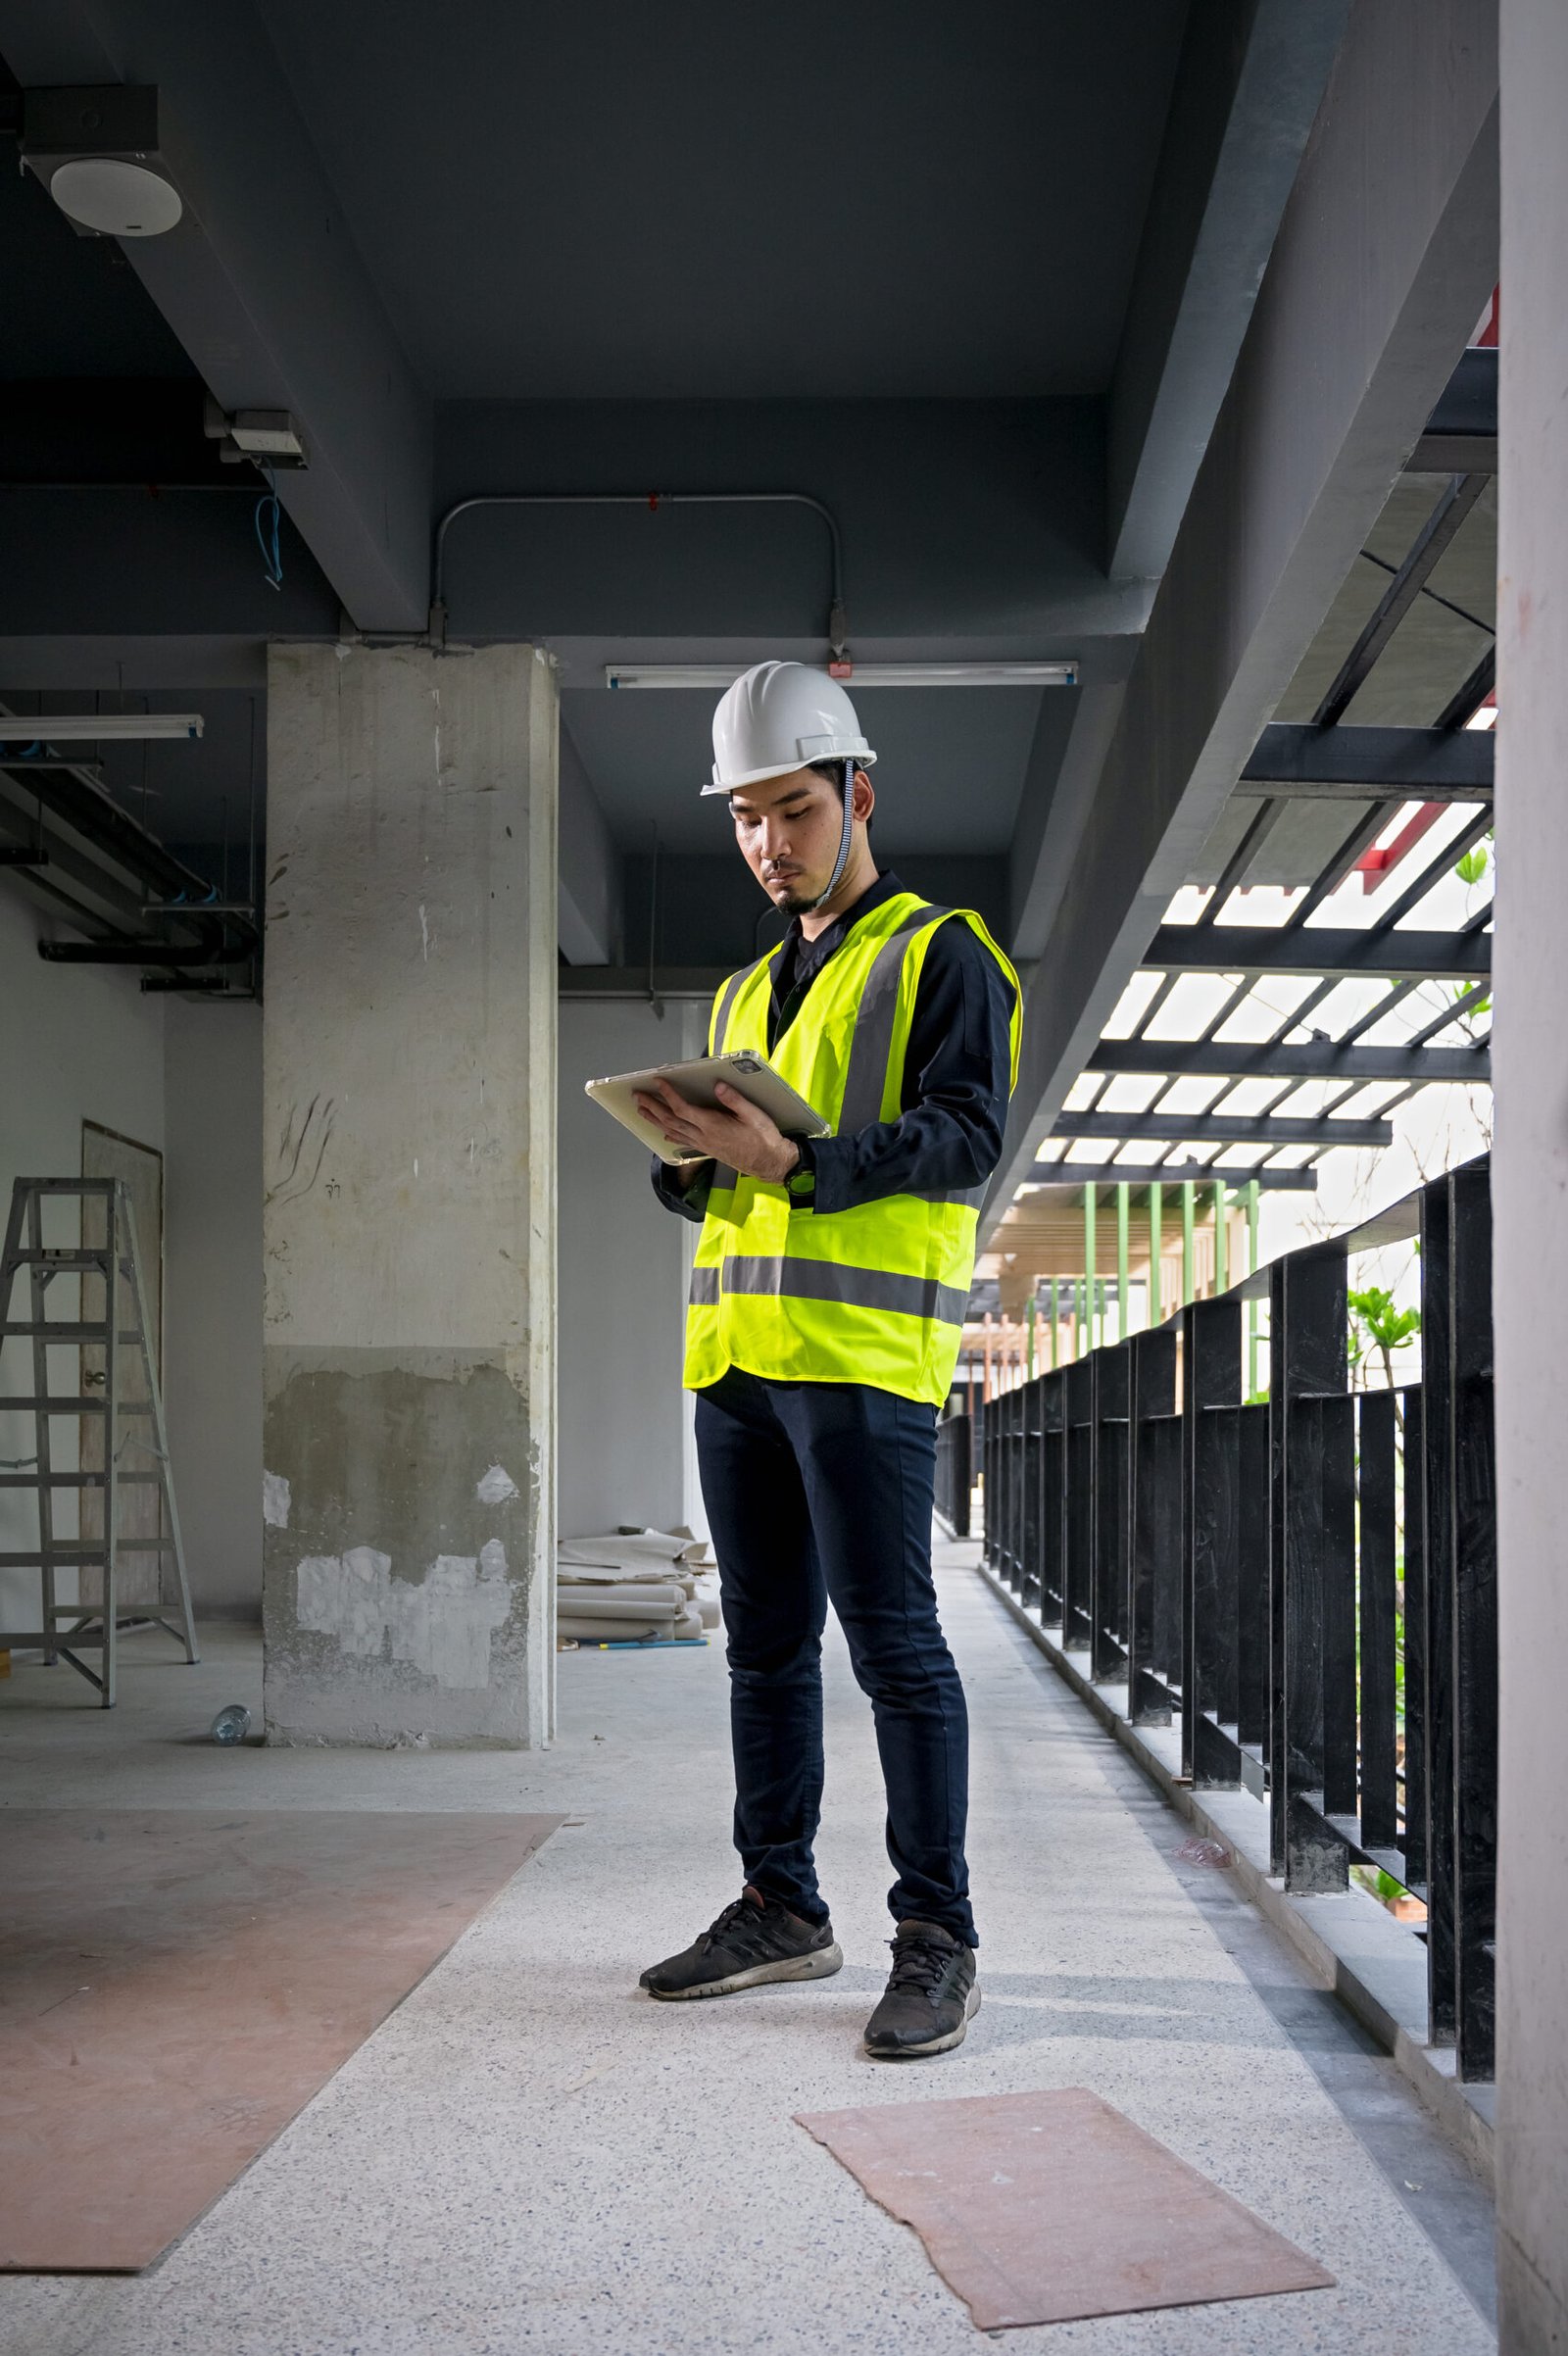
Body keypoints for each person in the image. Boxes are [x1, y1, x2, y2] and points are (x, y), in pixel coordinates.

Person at [633, 660, 1019, 2059]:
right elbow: (730, 1179)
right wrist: (689, 1163)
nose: (769, 844)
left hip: (860, 1360)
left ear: (858, 794)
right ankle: (780, 1906)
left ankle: (938, 1940)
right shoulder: (742, 992)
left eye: (792, 810)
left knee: (899, 1653)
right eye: (746, 819)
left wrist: (804, 1159)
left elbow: (968, 1134)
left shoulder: (940, 952)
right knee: (764, 1650)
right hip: (738, 1358)